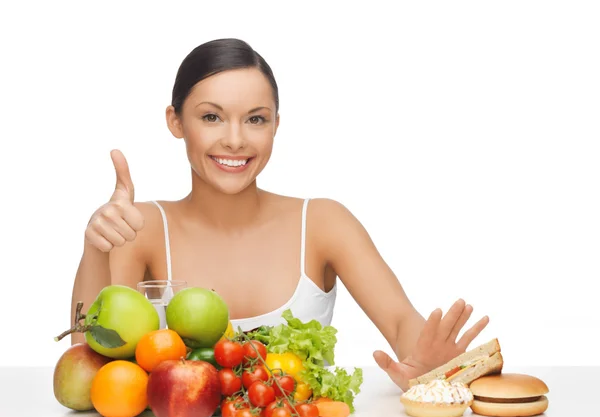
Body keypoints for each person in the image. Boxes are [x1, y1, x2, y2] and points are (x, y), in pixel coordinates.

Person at [70, 38, 490, 391]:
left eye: (255, 119)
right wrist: (95, 247)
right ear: (176, 121)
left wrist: (437, 365)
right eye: (211, 117)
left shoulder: (324, 223)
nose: (234, 140)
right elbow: (89, 365)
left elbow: (402, 326)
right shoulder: (139, 228)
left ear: (275, 126)